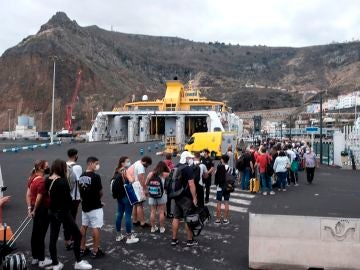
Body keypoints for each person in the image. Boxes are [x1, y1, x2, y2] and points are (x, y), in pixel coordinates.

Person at [46, 159, 92, 270]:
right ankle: (78, 262)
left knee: (53, 238)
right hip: (64, 212)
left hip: (52, 212)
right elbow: (68, 199)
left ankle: (56, 263)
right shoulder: (62, 181)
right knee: (77, 235)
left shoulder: (47, 179)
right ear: (62, 168)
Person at [26, 160, 52, 268]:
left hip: (34, 208)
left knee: (35, 233)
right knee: (41, 234)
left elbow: (28, 195)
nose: (48, 167)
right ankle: (41, 259)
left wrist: (29, 209)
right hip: (42, 210)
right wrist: (35, 210)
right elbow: (39, 198)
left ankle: (35, 257)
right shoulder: (41, 181)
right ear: (41, 168)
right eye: (46, 166)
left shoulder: (31, 178)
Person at [79, 157, 105, 259]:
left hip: (85, 205)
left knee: (84, 226)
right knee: (96, 227)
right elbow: (100, 192)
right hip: (95, 206)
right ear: (90, 163)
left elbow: (82, 191)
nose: (97, 166)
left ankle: (82, 248)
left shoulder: (81, 176)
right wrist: (99, 201)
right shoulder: (96, 176)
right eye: (96, 163)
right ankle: (95, 250)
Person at [171, 151, 198, 247]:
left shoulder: (176, 166)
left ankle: (174, 239)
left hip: (177, 196)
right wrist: (194, 198)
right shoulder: (187, 169)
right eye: (189, 158)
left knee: (176, 217)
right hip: (186, 197)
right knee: (188, 218)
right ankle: (190, 240)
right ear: (186, 158)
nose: (191, 159)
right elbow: (191, 184)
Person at [113, 156, 139, 244]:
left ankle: (118, 235)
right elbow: (132, 180)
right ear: (122, 163)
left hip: (119, 196)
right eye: (127, 161)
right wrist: (132, 177)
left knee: (119, 214)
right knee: (128, 215)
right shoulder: (124, 171)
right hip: (126, 196)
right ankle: (129, 237)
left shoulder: (116, 170)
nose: (129, 162)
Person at [64, 148, 83, 250]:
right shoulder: (77, 167)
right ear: (75, 155)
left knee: (67, 219)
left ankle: (67, 240)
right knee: (72, 219)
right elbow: (79, 182)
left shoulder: (64, 165)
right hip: (74, 197)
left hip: (65, 196)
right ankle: (71, 239)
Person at [127, 156, 152, 228]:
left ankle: (135, 220)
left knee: (135, 204)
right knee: (139, 205)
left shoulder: (137, 162)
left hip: (132, 185)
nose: (147, 167)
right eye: (147, 165)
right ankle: (142, 222)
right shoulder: (141, 167)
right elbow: (141, 179)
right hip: (137, 186)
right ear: (145, 162)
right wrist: (145, 189)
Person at [146, 161, 170, 233]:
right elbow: (171, 173)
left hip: (152, 194)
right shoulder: (165, 174)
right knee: (161, 212)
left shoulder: (151, 174)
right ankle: (162, 228)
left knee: (152, 211)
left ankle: (153, 228)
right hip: (161, 195)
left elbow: (146, 183)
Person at [214, 155, 231, 224]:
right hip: (227, 187)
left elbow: (215, 175)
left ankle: (218, 219)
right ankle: (225, 219)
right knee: (226, 202)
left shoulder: (219, 167)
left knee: (219, 203)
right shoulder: (230, 168)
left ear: (222, 160)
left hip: (219, 187)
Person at [163, 153, 174, 218]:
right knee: (168, 199)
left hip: (162, 181)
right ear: (171, 157)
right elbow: (172, 173)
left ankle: (164, 212)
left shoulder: (162, 163)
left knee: (163, 198)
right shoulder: (171, 164)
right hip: (168, 183)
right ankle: (168, 213)